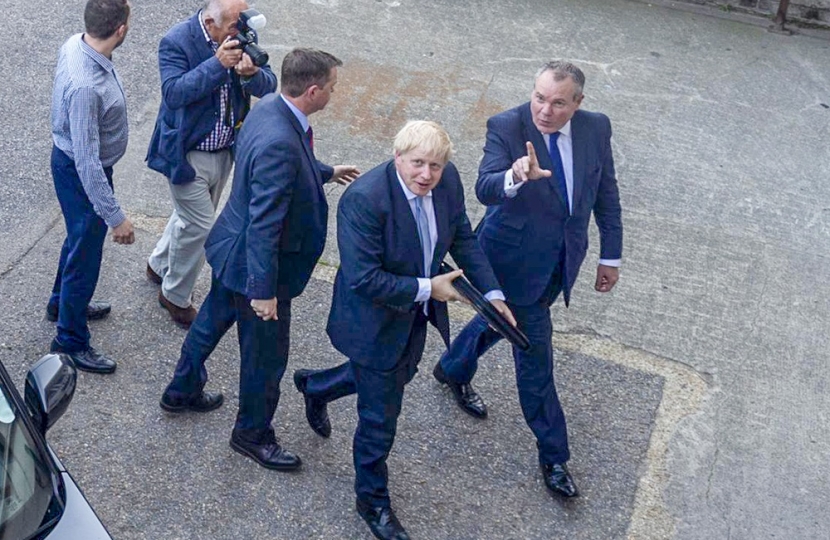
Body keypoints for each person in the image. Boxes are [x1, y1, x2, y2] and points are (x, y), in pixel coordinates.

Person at [293, 121, 516, 540]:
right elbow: (364, 278)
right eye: (417, 164)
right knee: (380, 418)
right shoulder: (364, 200)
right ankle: (371, 501)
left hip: (411, 316)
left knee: (397, 375)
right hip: (373, 321)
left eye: (435, 165)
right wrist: (429, 289)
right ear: (397, 157)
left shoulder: (445, 180)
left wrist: (492, 292)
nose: (427, 175)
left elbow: (462, 237)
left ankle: (317, 386)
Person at [158, 48, 359, 472]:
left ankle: (181, 389)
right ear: (312, 90)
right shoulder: (282, 143)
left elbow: (275, 169)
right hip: (257, 267)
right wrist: (263, 293)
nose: (334, 94)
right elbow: (267, 224)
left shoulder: (270, 107)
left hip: (231, 252)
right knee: (266, 359)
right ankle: (251, 434)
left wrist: (325, 171)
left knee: (210, 322)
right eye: (333, 88)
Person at [434, 61, 623, 499]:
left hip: (559, 263)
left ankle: (452, 368)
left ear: (578, 103)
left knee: (498, 321)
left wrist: (609, 256)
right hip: (508, 261)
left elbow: (605, 192)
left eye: (558, 102)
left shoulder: (596, 129)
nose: (545, 110)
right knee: (535, 359)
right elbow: (483, 187)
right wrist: (514, 176)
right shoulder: (506, 124)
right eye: (539, 97)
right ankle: (554, 455)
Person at [145, 0, 278, 328]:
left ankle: (158, 264)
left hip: (224, 151)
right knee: (201, 225)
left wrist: (252, 74)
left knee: (189, 219)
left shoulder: (239, 31)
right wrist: (218, 64)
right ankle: (174, 295)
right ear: (209, 21)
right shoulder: (176, 41)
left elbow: (271, 84)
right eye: (233, 23)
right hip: (186, 153)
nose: (240, 29)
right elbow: (174, 93)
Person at [46, 0, 135, 375]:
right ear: (120, 30)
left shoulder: (75, 42)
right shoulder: (86, 87)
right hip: (82, 174)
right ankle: (70, 339)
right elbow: (87, 160)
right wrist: (115, 216)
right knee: (86, 254)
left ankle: (61, 303)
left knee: (77, 240)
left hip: (74, 166)